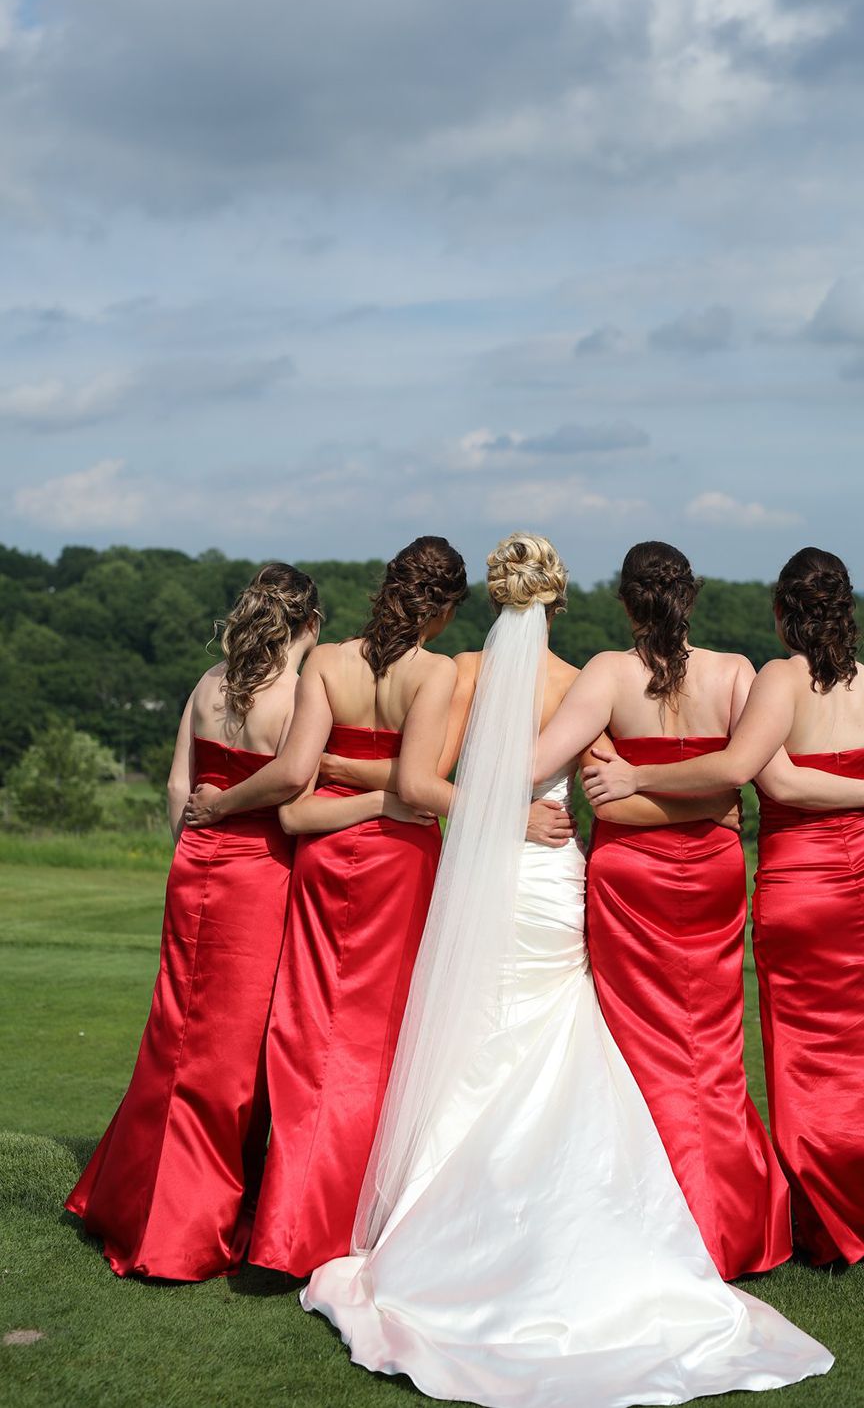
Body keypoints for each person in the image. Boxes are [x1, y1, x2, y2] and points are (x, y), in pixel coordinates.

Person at [301, 534, 833, 1408]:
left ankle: (448, 1211)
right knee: (560, 1027)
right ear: (559, 601)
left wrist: (487, 813)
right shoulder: (584, 677)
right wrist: (534, 814)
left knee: (479, 1033)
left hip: (492, 877)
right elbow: (615, 783)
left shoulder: (461, 672)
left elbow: (423, 780)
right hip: (552, 877)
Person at [584, 545, 864, 1266]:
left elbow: (748, 774)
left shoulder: (777, 677)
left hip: (800, 884)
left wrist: (635, 772)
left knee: (814, 1056)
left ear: (782, 613)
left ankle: (836, 1219)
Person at [535, 540, 864, 1278]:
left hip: (629, 879)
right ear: (688, 597)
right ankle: (734, 1214)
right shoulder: (736, 673)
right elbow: (734, 788)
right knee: (713, 1049)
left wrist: (614, 783)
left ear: (628, 602)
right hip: (714, 872)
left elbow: (533, 764)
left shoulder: (605, 673)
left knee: (641, 1049)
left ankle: (654, 1212)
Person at [186, 535, 468, 1276]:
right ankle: (352, 1219)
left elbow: (294, 795)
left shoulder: (326, 662)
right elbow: (416, 786)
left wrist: (345, 777)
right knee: (378, 1044)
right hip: (398, 862)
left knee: (307, 1038)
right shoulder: (434, 672)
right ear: (439, 610)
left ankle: (286, 1226)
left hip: (321, 857)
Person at [65, 564, 326, 1280]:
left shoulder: (209, 683)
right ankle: (187, 1221)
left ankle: (128, 1196)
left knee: (174, 1028)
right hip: (257, 870)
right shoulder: (297, 694)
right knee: (225, 1053)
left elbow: (180, 783)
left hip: (195, 866)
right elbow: (289, 783)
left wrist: (193, 831)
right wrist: (231, 809)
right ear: (306, 622)